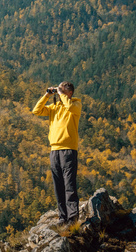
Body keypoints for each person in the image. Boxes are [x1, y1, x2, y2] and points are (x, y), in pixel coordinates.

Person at [32, 82, 82, 224]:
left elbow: (70, 106)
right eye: (59, 89)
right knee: (58, 185)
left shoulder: (75, 105)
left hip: (68, 149)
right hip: (54, 150)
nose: (59, 92)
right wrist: (47, 94)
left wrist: (61, 94)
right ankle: (62, 217)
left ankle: (73, 217)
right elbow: (36, 110)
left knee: (69, 184)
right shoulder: (54, 107)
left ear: (70, 93)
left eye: (63, 90)